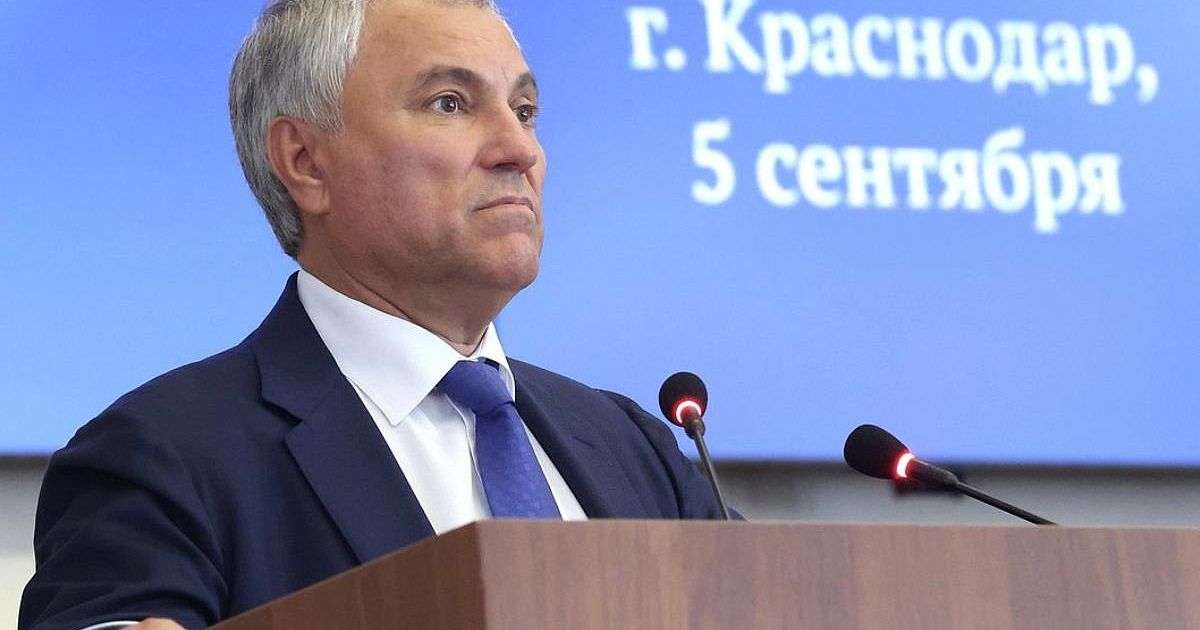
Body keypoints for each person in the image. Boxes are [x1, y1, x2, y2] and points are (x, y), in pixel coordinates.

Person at [18, 1, 726, 629]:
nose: (520, 149)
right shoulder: (163, 459)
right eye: (450, 103)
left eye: (524, 109)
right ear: (305, 161)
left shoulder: (634, 447)